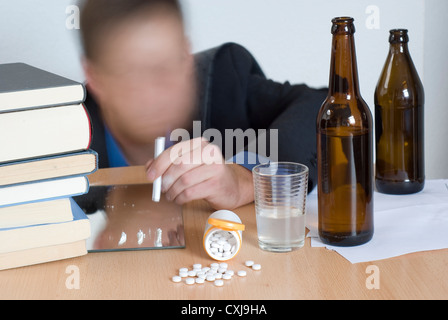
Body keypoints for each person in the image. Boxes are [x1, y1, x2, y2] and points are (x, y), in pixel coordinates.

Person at [80, 0, 327, 210]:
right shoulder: (60, 136)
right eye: (129, 74)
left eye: (166, 67)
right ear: (94, 78)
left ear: (187, 57)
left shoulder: (224, 80)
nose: (153, 94)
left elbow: (323, 107)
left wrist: (245, 181)